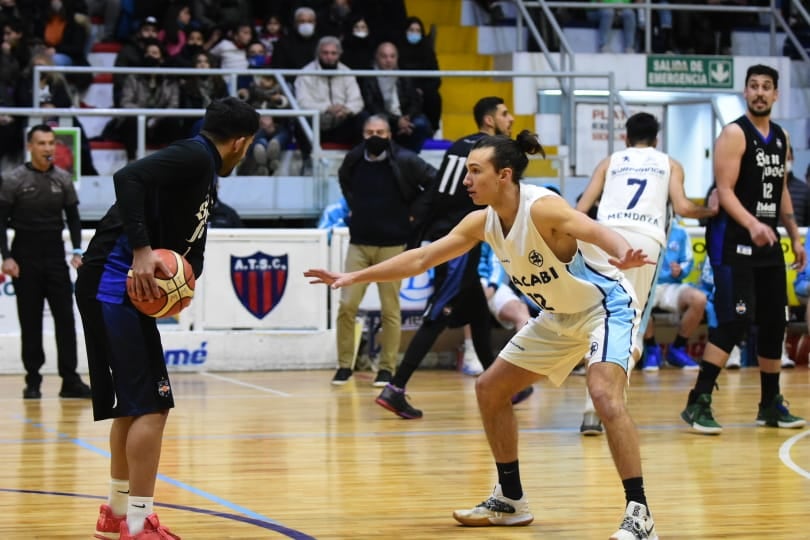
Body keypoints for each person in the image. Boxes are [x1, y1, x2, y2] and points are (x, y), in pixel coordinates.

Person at [305, 131, 659, 538]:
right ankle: (510, 500)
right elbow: (422, 257)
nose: (466, 180)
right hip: (557, 315)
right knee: (490, 389)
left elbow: (594, 230)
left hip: (605, 307)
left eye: (475, 171)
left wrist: (623, 251)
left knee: (602, 394)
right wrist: (355, 275)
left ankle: (640, 514)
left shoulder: (543, 208)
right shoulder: (482, 220)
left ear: (503, 175)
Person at [76, 97, 258, 539]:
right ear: (241, 142)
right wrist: (140, 250)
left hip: (115, 288)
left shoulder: (201, 169)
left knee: (135, 408)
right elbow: (128, 176)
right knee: (154, 407)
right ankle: (139, 524)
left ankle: (117, 514)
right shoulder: (195, 155)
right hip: (115, 284)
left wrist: (185, 281)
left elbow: (186, 240)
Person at [371, 96, 518, 416]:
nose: (511, 119)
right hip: (457, 242)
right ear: (490, 121)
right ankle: (395, 387)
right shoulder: (489, 152)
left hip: (453, 236)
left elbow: (437, 193)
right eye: (505, 114)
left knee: (478, 312)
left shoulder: (458, 146)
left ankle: (499, 385)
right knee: (437, 315)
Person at [680, 64, 806, 435]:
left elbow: (780, 189)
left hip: (768, 243)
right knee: (735, 320)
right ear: (745, 92)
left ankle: (770, 403)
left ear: (776, 94)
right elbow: (725, 189)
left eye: (767, 87)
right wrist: (751, 224)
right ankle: (698, 400)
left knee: (775, 321)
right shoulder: (734, 134)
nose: (760, 93)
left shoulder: (781, 137)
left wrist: (794, 235)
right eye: (754, 87)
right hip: (733, 243)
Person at [575, 111, 717, 435]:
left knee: (602, 321)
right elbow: (682, 208)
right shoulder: (669, 163)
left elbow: (581, 209)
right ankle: (608, 403)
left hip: (604, 238)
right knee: (630, 327)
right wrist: (711, 210)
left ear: (626, 138)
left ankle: (589, 409)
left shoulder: (610, 161)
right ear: (656, 140)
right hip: (644, 243)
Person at [330, 115, 436, 386]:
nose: (374, 135)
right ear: (362, 135)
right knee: (346, 305)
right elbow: (344, 180)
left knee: (390, 310)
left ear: (390, 134)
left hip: (394, 245)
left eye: (380, 131)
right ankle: (344, 365)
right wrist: (355, 206)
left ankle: (386, 368)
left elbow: (433, 183)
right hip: (359, 243)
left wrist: (414, 213)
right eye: (369, 131)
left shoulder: (406, 159)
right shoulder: (353, 159)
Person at [0, 124, 92, 400]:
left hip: (54, 255)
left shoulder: (63, 178)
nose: (48, 148)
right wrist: (7, 257)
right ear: (30, 146)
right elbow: (1, 222)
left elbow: (73, 218)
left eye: (51, 143)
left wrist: (77, 250)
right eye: (41, 143)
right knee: (30, 322)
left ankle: (70, 380)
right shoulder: (13, 179)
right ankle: (33, 380)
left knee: (65, 319)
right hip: (24, 256)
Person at [641, 222, 706, 371]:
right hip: (646, 284)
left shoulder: (680, 231)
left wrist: (680, 270)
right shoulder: (642, 227)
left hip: (671, 285)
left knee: (699, 299)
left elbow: (688, 261)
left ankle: (677, 349)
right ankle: (652, 350)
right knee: (637, 300)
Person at [358, 42, 433, 153]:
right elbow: (372, 105)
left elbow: (415, 101)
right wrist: (396, 121)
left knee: (422, 123)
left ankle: (410, 157)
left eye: (392, 56)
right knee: (365, 118)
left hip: (403, 118)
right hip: (383, 117)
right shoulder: (369, 77)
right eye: (384, 56)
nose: (388, 60)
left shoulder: (403, 76)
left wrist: (407, 118)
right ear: (376, 58)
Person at [786, 146, 810, 226]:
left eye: (788, 158)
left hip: (798, 237)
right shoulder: (763, 188)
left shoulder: (805, 191)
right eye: (782, 157)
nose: (785, 161)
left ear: (793, 159)